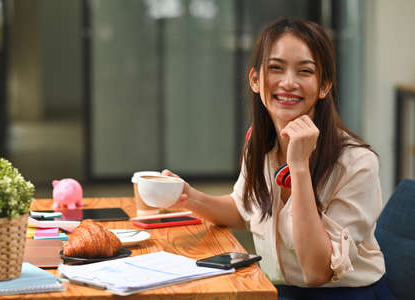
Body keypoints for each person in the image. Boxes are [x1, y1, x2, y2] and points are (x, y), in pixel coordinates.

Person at [162, 17, 395, 300]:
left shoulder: (357, 163)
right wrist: (190, 197)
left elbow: (316, 271)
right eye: (275, 68)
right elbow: (245, 209)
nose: (288, 83)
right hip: (274, 291)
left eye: (305, 71)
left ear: (324, 86)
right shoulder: (260, 145)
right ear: (256, 80)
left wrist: (299, 168)